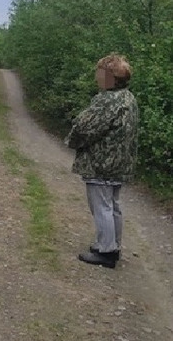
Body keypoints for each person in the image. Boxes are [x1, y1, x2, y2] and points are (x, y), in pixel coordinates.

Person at [65, 54, 139, 269]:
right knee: (113, 206)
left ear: (111, 77)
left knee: (102, 207)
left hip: (102, 163)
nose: (97, 77)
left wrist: (73, 140)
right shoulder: (128, 98)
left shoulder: (107, 100)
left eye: (100, 73)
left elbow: (86, 128)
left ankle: (106, 251)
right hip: (119, 163)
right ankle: (111, 245)